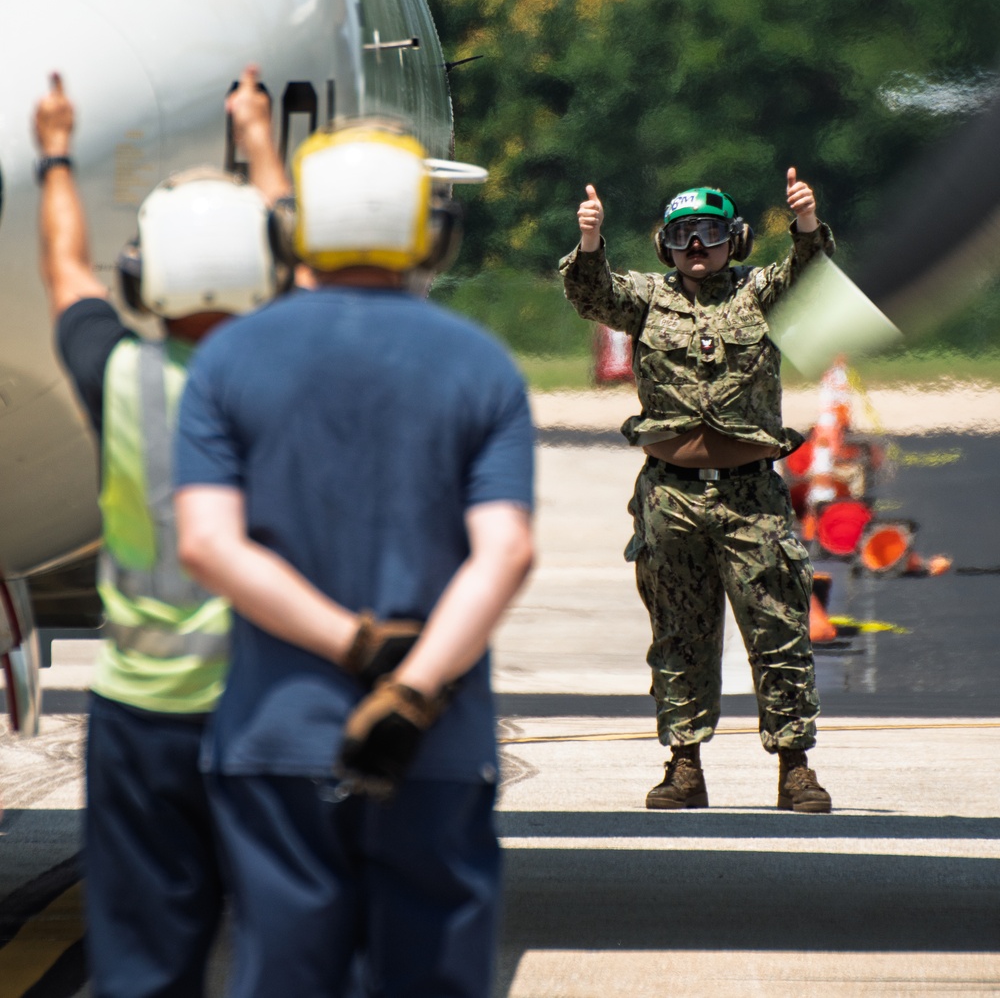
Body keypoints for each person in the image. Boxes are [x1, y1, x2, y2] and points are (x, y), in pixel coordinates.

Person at [173, 121, 535, 998]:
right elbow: (506, 551)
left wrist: (355, 645)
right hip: (434, 744)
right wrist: (409, 692)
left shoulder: (226, 360)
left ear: (297, 233)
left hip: (278, 738)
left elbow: (207, 543)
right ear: (430, 234)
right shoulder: (481, 366)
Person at [34, 66, 288, 997]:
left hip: (141, 720)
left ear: (143, 275)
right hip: (266, 710)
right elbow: (302, 264)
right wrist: (258, 139)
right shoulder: (286, 371)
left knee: (144, 962)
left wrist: (55, 151)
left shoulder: (122, 379)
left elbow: (64, 270)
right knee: (285, 946)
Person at [561, 171, 834, 814]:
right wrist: (591, 240)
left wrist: (804, 224)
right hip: (671, 496)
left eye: (710, 233)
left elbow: (809, 273)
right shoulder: (647, 299)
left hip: (750, 498)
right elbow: (589, 294)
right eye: (682, 235)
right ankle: (684, 764)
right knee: (678, 632)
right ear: (665, 244)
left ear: (733, 239)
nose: (696, 247)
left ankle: (795, 767)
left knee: (778, 628)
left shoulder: (756, 292)